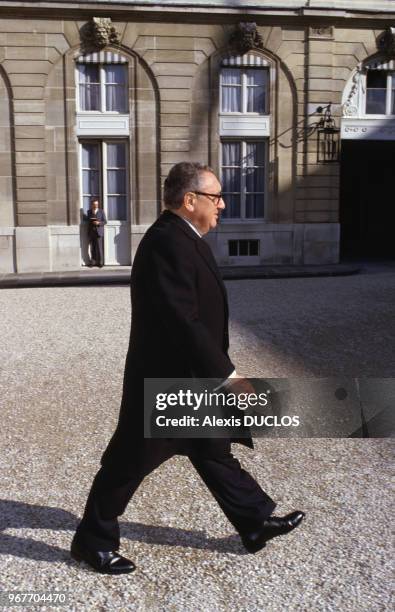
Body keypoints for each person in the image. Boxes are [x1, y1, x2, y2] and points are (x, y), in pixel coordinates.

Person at [71, 163, 304, 574]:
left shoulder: (184, 238)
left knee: (212, 449)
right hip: (165, 381)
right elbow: (184, 320)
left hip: (187, 378)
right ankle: (92, 542)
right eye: (215, 197)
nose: (223, 205)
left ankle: (253, 522)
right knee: (129, 461)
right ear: (189, 199)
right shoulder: (167, 242)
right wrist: (228, 377)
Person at [86, 199, 107, 267]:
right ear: (92, 205)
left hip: (99, 232)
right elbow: (88, 221)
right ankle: (93, 262)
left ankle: (100, 262)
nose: (95, 206)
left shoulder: (101, 211)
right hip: (92, 232)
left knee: (99, 248)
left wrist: (99, 223)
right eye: (94, 204)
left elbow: (105, 221)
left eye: (97, 204)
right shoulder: (89, 211)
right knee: (93, 248)